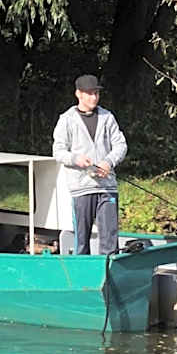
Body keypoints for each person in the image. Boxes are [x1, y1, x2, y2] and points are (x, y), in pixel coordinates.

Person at [52, 74, 127, 255]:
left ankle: (109, 276)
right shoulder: (67, 119)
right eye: (89, 94)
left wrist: (108, 162)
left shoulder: (107, 117)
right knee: (81, 240)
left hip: (107, 186)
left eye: (96, 93)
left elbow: (121, 145)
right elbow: (58, 151)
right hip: (81, 188)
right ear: (78, 94)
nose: (94, 97)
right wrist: (75, 158)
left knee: (110, 239)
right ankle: (82, 278)